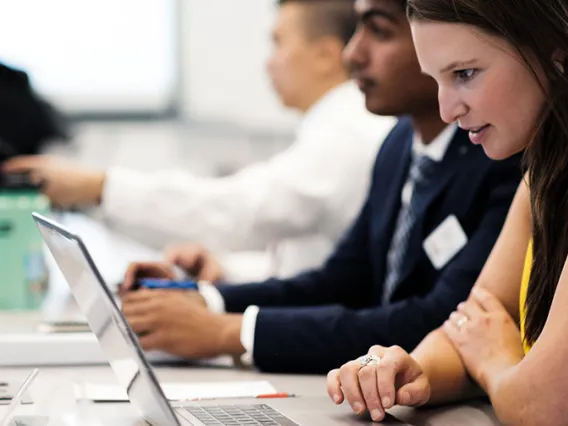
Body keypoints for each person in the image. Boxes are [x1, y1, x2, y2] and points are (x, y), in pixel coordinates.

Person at [117, 0, 522, 377]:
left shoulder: (501, 154)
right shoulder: (398, 144)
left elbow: (437, 318)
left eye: (379, 32)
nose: (352, 54)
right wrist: (203, 300)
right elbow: (344, 279)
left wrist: (231, 332)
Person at [1, 0, 395, 284]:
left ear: (326, 55)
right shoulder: (331, 128)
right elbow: (313, 256)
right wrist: (228, 270)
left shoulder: (345, 132)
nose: (267, 61)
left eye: (278, 42)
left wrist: (100, 187)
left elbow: (239, 211)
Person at [326, 0, 568, 424]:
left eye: (464, 75)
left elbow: (542, 406)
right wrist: (416, 369)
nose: (446, 110)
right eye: (436, 80)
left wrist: (496, 359)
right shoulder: (542, 176)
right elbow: (476, 321)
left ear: (556, 53)